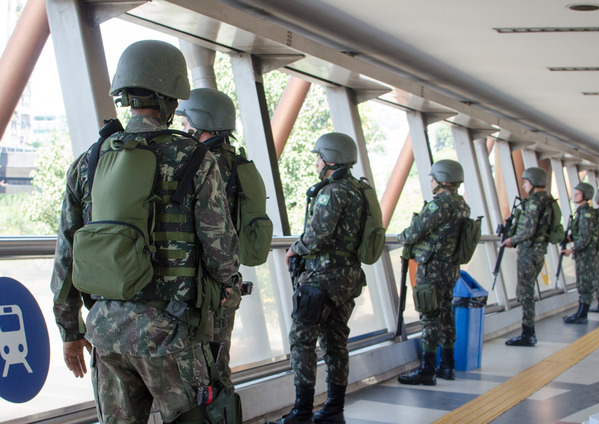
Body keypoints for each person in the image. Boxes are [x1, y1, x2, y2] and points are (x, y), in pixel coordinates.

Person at [50, 40, 239, 423]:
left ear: (124, 94)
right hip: (170, 334)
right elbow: (221, 251)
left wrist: (71, 330)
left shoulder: (88, 161)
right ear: (172, 95)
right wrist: (224, 300)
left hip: (105, 332)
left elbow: (66, 256)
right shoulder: (196, 159)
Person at [271, 133, 366, 424]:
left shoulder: (333, 191)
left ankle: (301, 413)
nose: (315, 162)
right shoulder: (357, 189)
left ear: (330, 159)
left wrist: (294, 248)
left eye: (318, 156)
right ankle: (334, 410)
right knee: (335, 342)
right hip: (347, 278)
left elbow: (318, 236)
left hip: (322, 280)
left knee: (302, 340)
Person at [176, 87, 252, 383]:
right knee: (217, 365)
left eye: (187, 124)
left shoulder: (207, 163)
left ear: (202, 122)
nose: (184, 130)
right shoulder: (233, 161)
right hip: (225, 283)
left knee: (209, 372)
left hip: (210, 287)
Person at [396, 159, 471, 385]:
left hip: (432, 268)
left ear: (442, 180)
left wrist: (400, 237)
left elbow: (413, 233)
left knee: (429, 315)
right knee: (446, 313)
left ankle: (427, 369)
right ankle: (447, 365)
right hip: (450, 269)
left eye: (433, 178)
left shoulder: (439, 204)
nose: (430, 182)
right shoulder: (462, 205)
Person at [501, 167, 554, 347]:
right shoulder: (548, 201)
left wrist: (511, 240)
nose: (523, 185)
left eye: (525, 182)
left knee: (525, 293)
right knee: (527, 291)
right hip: (539, 251)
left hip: (528, 251)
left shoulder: (534, 203)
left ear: (532, 182)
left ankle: (528, 333)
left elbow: (529, 230)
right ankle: (528, 332)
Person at [560, 182, 599, 324]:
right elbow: (581, 234)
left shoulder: (586, 213)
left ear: (585, 196)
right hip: (584, 254)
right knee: (583, 283)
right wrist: (571, 238)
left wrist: (571, 249)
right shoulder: (581, 212)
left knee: (585, 284)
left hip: (587, 255)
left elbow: (585, 238)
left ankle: (582, 314)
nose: (575, 195)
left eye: (578, 193)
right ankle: (581, 312)